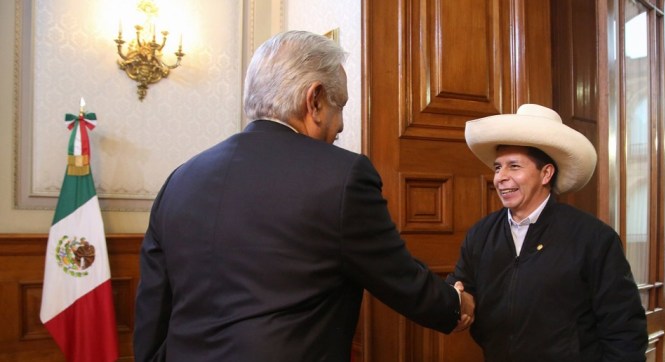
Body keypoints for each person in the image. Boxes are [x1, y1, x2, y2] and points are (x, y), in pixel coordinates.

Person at [133, 30, 473, 362]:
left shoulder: (180, 179)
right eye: (339, 108)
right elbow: (399, 278)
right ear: (315, 100)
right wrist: (455, 306)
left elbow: (153, 310)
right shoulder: (341, 176)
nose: (339, 126)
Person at [447, 104, 648, 361]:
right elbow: (462, 287)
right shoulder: (481, 234)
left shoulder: (594, 238)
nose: (500, 178)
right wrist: (457, 299)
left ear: (546, 173)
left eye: (514, 167)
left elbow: (624, 329)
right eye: (498, 168)